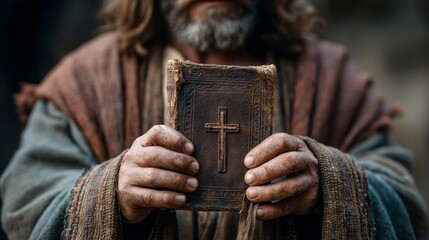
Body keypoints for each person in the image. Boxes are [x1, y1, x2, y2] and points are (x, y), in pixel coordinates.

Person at [1, 0, 428, 239]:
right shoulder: (87, 80)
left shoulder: (332, 79)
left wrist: (328, 185)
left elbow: (406, 206)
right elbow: (26, 206)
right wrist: (112, 193)